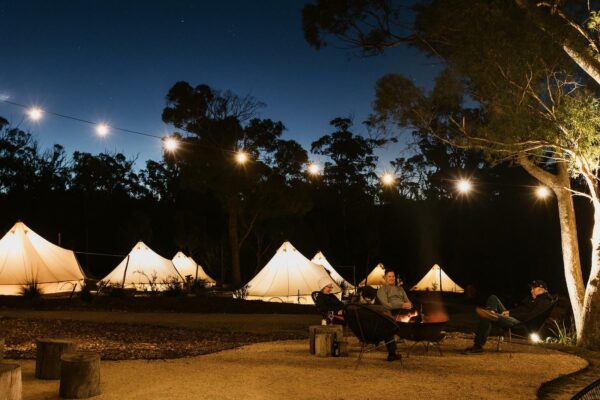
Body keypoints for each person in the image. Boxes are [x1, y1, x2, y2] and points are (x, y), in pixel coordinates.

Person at [463, 280, 553, 354]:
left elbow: (530, 316)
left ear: (541, 289)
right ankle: (491, 312)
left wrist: (511, 314)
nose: (531, 290)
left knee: (486, 317)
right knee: (493, 298)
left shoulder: (544, 302)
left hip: (519, 323)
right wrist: (509, 312)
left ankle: (478, 346)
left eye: (534, 288)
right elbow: (520, 309)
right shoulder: (531, 299)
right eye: (531, 288)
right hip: (512, 317)